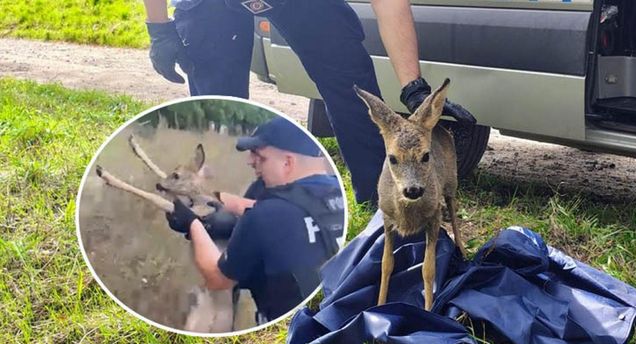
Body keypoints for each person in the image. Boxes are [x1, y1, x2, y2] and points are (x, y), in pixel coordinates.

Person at [141, 0, 475, 204]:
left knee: (351, 85)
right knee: (218, 106)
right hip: (213, 7)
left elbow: (388, 2)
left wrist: (413, 88)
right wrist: (158, 28)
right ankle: (225, 202)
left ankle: (381, 202)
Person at [165, 117, 345, 324]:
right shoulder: (334, 192)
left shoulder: (265, 215)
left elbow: (217, 279)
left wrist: (192, 223)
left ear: (287, 162)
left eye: (260, 157)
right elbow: (289, 217)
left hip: (290, 325)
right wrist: (220, 204)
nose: (251, 161)